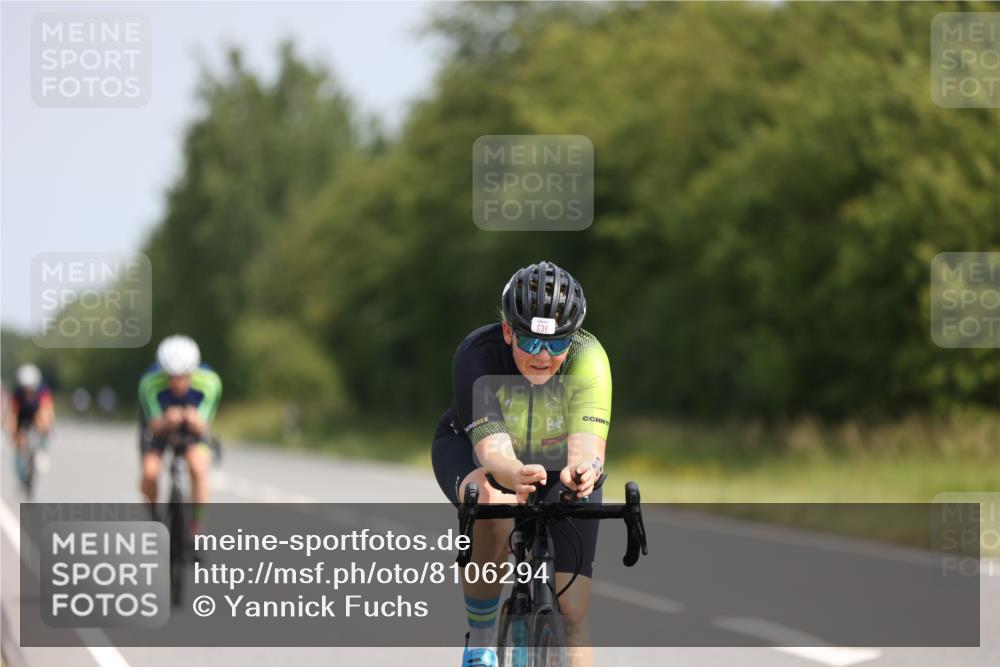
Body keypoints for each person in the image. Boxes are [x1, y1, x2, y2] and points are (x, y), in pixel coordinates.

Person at [432, 261, 611, 667]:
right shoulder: (478, 354)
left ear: (574, 336)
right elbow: (493, 452)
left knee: (574, 616)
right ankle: (479, 639)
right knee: (492, 504)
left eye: (556, 343)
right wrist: (514, 476)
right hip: (475, 451)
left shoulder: (589, 357)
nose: (544, 357)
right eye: (530, 343)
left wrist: (582, 472)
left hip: (556, 460)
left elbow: (588, 446)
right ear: (509, 331)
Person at [138, 335, 222, 529]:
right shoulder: (149, 383)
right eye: (171, 377)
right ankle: (153, 518)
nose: (177, 383)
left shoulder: (210, 383)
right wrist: (166, 420)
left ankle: (195, 525)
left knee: (198, 468)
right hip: (161, 429)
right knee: (149, 472)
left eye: (183, 376)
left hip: (192, 431)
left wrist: (194, 420)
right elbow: (153, 424)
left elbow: (204, 426)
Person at [8, 364, 55, 479]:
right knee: (17, 441)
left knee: (43, 420)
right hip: (22, 415)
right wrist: (14, 431)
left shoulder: (43, 391)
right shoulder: (17, 393)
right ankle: (20, 471)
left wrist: (48, 427)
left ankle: (42, 450)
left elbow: (48, 410)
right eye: (26, 387)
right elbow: (13, 413)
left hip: (36, 415)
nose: (28, 390)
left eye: (31, 387)